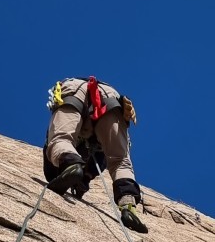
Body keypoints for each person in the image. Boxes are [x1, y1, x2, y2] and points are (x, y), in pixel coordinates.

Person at [43, 76, 148, 233]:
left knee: (61, 139)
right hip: (112, 99)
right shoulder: (97, 157)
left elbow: (85, 168)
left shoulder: (89, 155)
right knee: (120, 160)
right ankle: (128, 205)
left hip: (74, 89)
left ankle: (69, 162)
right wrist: (83, 181)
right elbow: (98, 164)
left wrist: (79, 178)